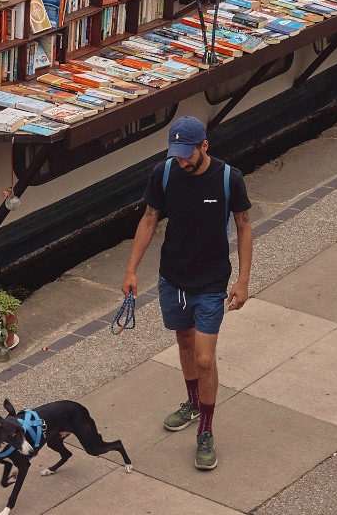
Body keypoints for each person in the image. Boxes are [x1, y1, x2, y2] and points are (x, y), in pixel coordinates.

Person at [121, 117, 251, 472]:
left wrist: (243, 280)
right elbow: (149, 219)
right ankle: (193, 404)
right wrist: (132, 270)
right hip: (172, 278)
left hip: (210, 283)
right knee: (183, 341)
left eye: (186, 155)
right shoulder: (164, 173)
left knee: (205, 358)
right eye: (176, 155)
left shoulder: (229, 179)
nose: (181, 161)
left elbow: (243, 226)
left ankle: (206, 430)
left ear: (204, 145)